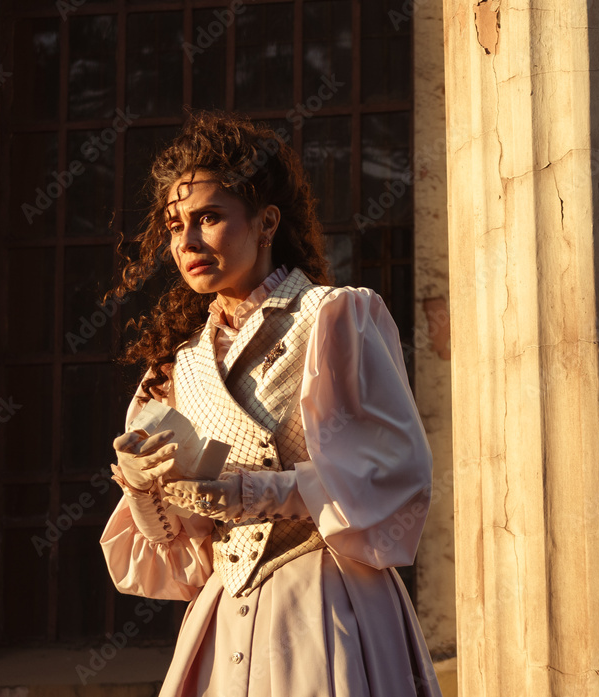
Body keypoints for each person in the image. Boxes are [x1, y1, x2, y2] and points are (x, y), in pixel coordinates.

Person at [99, 110, 441, 697]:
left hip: (328, 607)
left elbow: (391, 476)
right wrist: (141, 486)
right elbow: (183, 552)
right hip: (222, 617)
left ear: (266, 222)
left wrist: (251, 493)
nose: (187, 242)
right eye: (175, 225)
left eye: (209, 217)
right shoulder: (177, 367)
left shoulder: (335, 317)